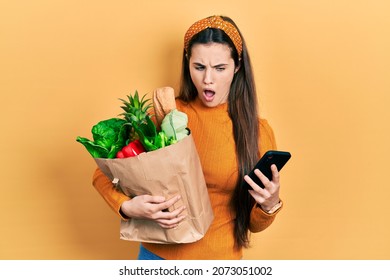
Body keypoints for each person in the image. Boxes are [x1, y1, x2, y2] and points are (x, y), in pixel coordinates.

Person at [92, 15, 283, 260]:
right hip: (156, 257)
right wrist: (127, 206)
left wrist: (270, 204)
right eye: (199, 67)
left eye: (220, 68)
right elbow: (104, 172)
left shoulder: (256, 131)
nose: (208, 79)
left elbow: (255, 225)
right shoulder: (165, 114)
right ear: (187, 62)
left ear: (237, 67)